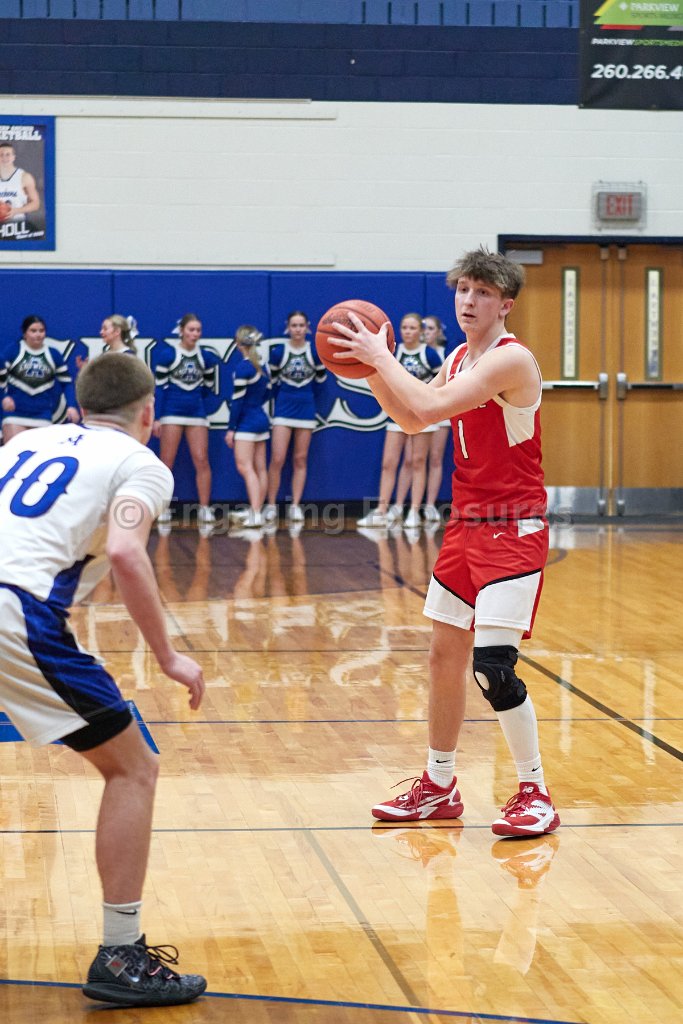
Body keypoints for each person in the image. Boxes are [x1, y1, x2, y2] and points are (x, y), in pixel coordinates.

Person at [0, 353, 207, 1005]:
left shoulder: (25, 441)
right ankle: (121, 954)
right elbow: (123, 550)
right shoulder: (141, 463)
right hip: (15, 611)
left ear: (78, 406)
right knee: (133, 767)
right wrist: (168, 657)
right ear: (149, 414)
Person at [333, 246, 559, 838]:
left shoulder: (512, 361)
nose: (469, 300)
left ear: (505, 304)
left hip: (513, 528)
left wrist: (382, 356)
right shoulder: (458, 356)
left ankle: (534, 791)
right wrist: (371, 370)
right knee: (443, 657)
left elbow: (431, 403)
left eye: (483, 292)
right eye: (463, 289)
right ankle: (438, 785)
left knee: (493, 667)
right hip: (465, 525)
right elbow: (413, 419)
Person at [357, 312, 442, 529]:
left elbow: (440, 387)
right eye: (404, 327)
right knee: (389, 462)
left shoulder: (430, 355)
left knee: (418, 462)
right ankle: (382, 510)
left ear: (421, 331)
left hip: (423, 413)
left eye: (412, 328)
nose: (408, 331)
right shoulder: (393, 353)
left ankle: (414, 511)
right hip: (397, 413)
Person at [152, 313, 221, 527]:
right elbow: (159, 390)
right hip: (171, 412)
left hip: (196, 414)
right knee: (167, 462)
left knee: (201, 459)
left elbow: (208, 388)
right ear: (181, 331)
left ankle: (204, 509)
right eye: (191, 330)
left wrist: (199, 405)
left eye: (198, 330)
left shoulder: (206, 357)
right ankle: (163, 508)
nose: (195, 334)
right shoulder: (168, 355)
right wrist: (157, 418)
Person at [264, 310, 326, 523]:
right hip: (283, 409)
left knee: (300, 458)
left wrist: (306, 399)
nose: (298, 329)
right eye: (294, 325)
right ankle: (271, 505)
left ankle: (295, 506)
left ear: (307, 327)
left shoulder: (315, 352)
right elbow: (272, 383)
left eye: (301, 325)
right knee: (277, 458)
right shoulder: (278, 353)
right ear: (288, 327)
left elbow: (320, 382)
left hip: (306, 409)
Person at [1, 315, 80, 443]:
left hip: (42, 415)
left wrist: (71, 406)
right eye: (33, 331)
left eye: (41, 331)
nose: (38, 335)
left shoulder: (54, 354)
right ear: (24, 333)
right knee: (14, 452)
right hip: (15, 415)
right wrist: (4, 397)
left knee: (40, 454)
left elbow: (67, 383)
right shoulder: (13, 351)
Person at [225, 325, 271, 529]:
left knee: (245, 467)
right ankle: (256, 510)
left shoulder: (243, 368)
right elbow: (268, 393)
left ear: (238, 344)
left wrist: (231, 428)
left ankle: (255, 513)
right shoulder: (262, 366)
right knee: (260, 468)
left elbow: (237, 402)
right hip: (261, 419)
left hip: (247, 423)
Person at [422, 315, 450, 522]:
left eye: (431, 328)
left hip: (441, 411)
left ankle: (430, 505)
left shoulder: (446, 356)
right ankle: (405, 506)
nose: (426, 332)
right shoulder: (419, 353)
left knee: (435, 458)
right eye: (424, 328)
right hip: (421, 410)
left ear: (439, 332)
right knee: (414, 460)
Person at [0, 141, 40, 222]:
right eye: (1, 155)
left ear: (13, 157)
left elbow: (36, 203)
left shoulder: (25, 177)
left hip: (18, 224)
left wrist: (16, 211)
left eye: (8, 154)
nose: (4, 157)